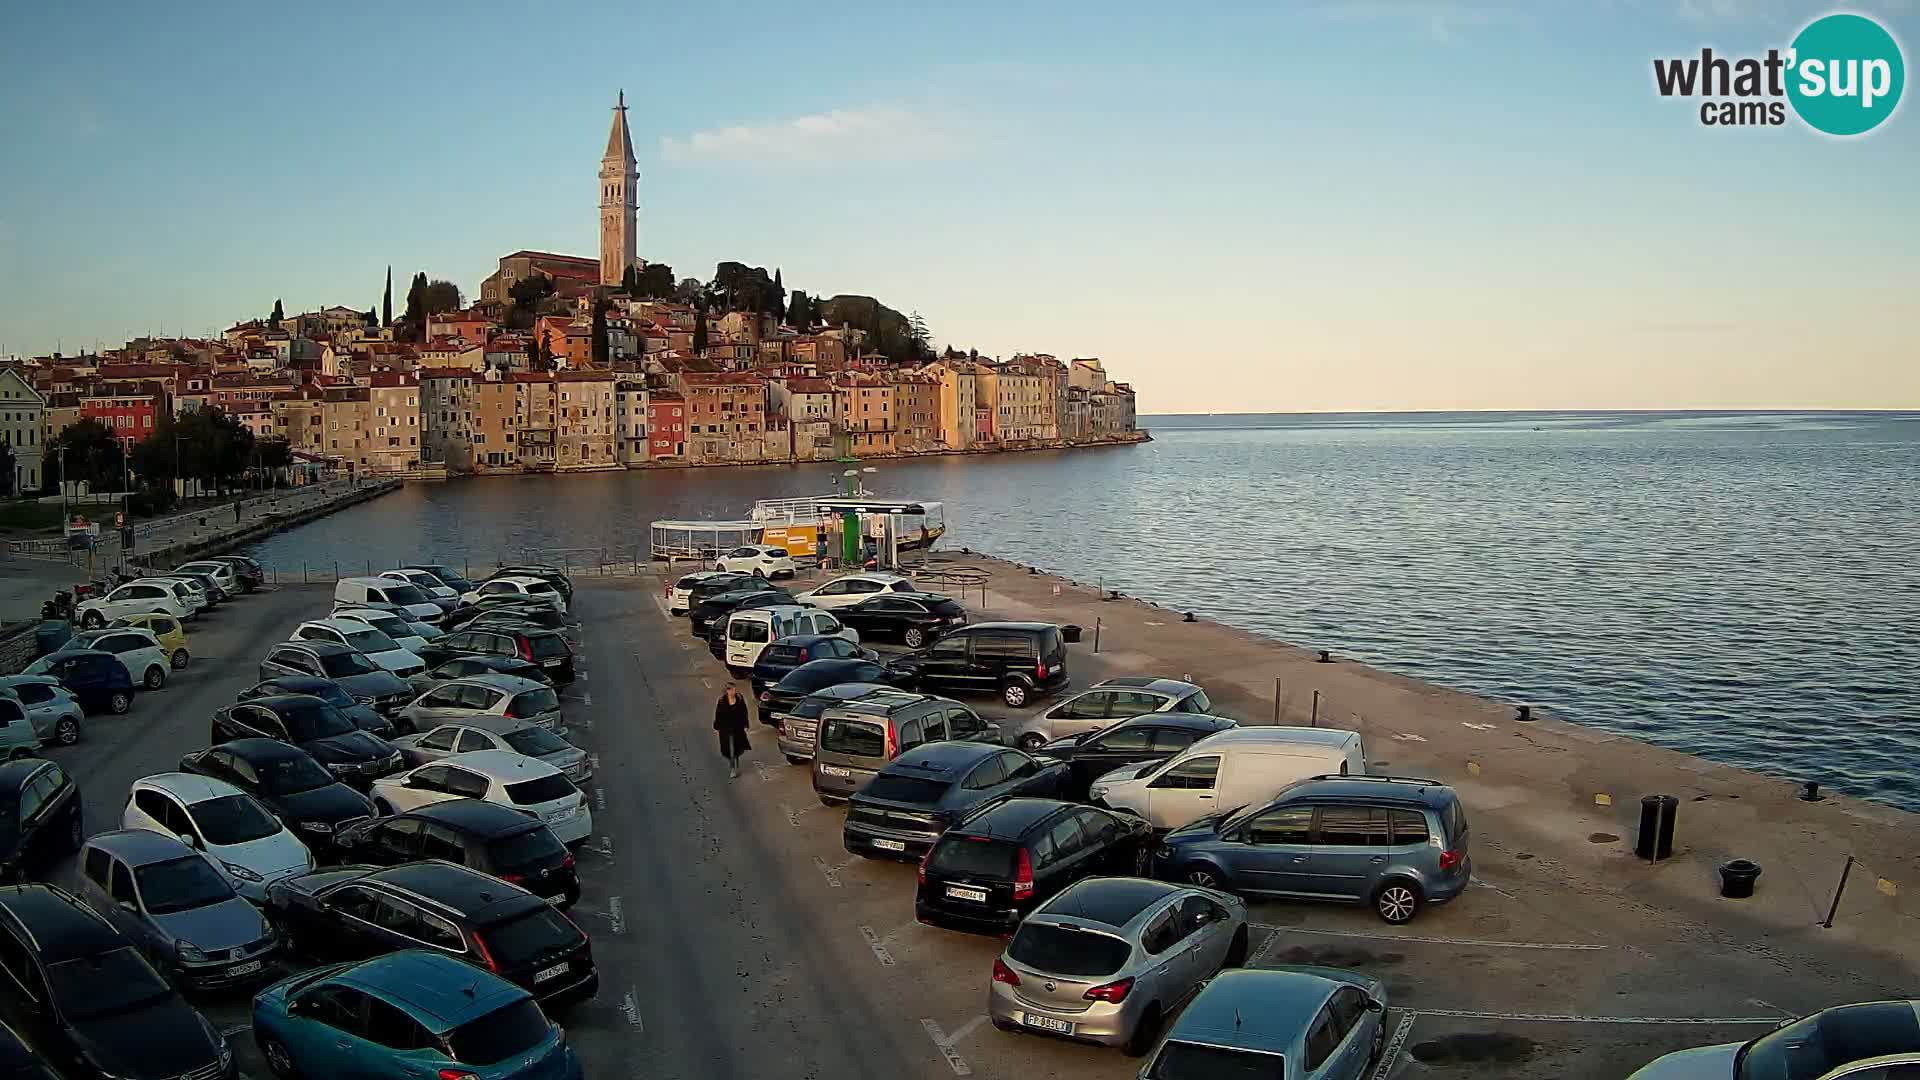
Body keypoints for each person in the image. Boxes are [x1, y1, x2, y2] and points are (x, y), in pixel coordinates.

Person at [714, 684, 751, 779]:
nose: (734, 692)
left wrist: (745, 724)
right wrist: (716, 725)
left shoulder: (740, 699)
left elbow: (744, 712)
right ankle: (733, 768)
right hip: (725, 728)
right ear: (727, 691)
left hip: (737, 728)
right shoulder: (722, 701)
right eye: (731, 690)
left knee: (736, 747)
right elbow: (718, 714)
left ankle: (734, 762)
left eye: (734, 690)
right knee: (729, 749)